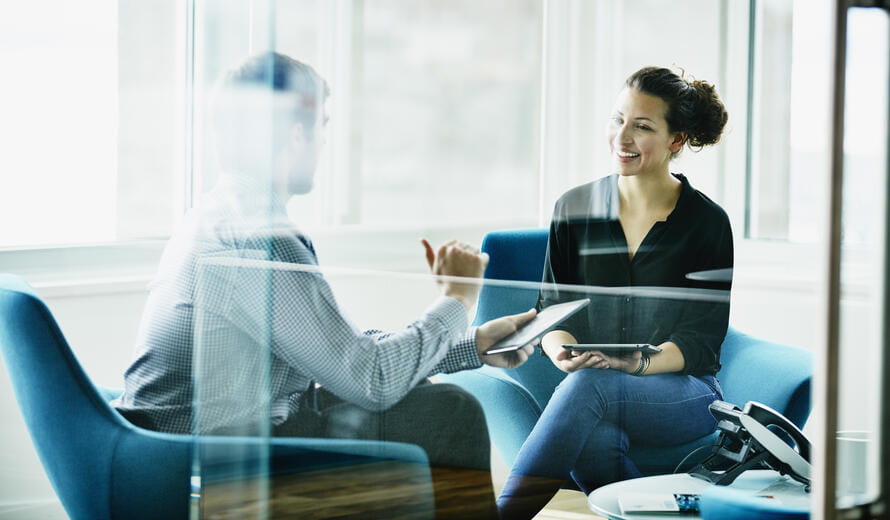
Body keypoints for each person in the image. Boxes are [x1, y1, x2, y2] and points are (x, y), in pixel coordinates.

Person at [111, 52, 536, 518]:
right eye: (322, 126)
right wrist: (458, 296)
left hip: (187, 442)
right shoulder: (261, 242)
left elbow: (345, 356)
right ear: (297, 135)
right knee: (449, 413)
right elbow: (371, 380)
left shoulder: (219, 215)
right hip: (210, 461)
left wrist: (470, 344)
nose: (322, 143)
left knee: (430, 404)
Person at [496, 66, 733, 519]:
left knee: (591, 388)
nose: (621, 136)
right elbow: (552, 312)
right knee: (596, 438)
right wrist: (562, 350)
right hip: (597, 389)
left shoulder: (707, 223)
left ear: (676, 141)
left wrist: (635, 363)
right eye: (617, 119)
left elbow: (701, 342)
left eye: (642, 126)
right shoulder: (574, 207)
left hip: (686, 392)